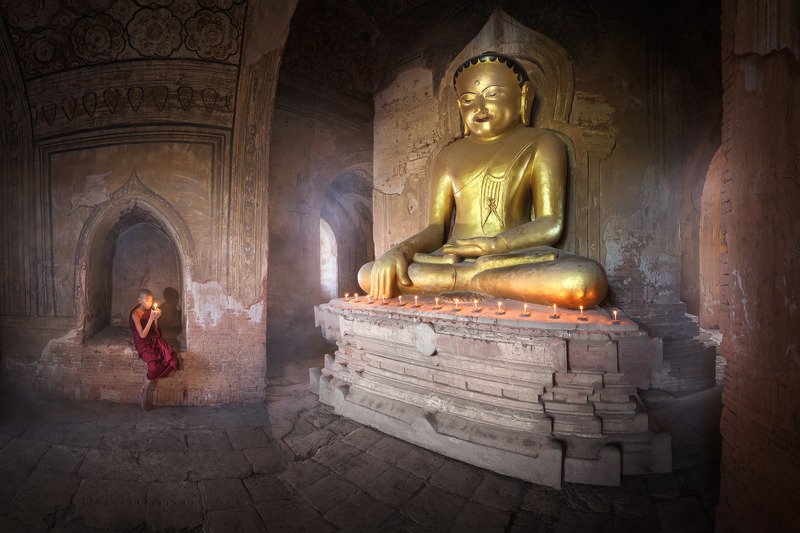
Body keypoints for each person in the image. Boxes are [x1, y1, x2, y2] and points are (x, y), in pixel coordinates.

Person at [358, 51, 607, 309]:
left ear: (524, 96)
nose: (479, 108)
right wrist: (401, 251)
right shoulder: (447, 156)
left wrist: (496, 244)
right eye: (468, 100)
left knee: (581, 281)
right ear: (459, 107)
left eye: (493, 94)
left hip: (511, 259)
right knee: (370, 274)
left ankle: (474, 281)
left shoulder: (542, 143)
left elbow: (550, 224)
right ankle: (479, 282)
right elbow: (436, 228)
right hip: (452, 261)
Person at [130, 288, 179, 410]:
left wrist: (156, 318)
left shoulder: (150, 310)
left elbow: (154, 329)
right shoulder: (135, 314)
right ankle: (145, 389)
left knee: (172, 358)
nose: (150, 303)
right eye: (147, 300)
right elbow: (142, 335)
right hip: (143, 342)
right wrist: (151, 319)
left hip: (153, 338)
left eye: (151, 301)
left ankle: (146, 387)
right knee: (153, 366)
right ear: (139, 300)